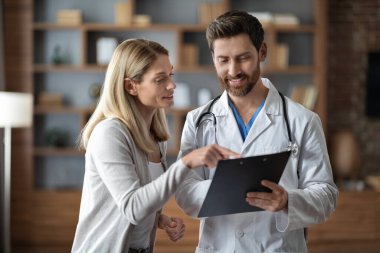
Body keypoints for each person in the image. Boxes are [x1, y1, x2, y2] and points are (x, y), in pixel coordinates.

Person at [175, 10, 338, 252]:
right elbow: (184, 190)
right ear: (213, 58)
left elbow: (326, 196)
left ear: (262, 52)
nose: (233, 71)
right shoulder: (198, 121)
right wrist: (225, 189)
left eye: (243, 58)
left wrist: (287, 201)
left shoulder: (302, 120)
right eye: (223, 60)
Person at [71, 38, 239, 253]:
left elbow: (135, 204)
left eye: (170, 75)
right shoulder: (109, 133)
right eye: (160, 79)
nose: (171, 85)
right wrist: (186, 163)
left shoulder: (153, 138)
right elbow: (133, 207)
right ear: (131, 86)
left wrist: (159, 219)